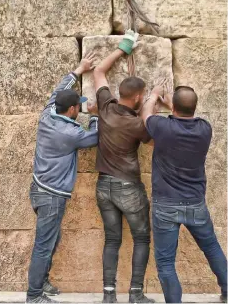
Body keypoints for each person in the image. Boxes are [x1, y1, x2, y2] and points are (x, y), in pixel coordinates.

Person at [141, 84, 227, 303]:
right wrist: (173, 101)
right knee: (212, 248)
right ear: (195, 107)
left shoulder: (162, 127)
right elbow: (182, 113)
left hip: (166, 205)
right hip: (195, 203)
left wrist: (153, 96)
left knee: (166, 262)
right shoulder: (205, 129)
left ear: (174, 107)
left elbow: (146, 115)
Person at [26, 53, 99, 303]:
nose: (80, 108)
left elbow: (60, 89)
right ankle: (34, 295)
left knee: (51, 238)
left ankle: (42, 281)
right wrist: (97, 115)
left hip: (39, 189)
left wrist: (78, 70)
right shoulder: (72, 133)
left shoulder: (47, 113)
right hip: (52, 196)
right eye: (79, 105)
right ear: (71, 109)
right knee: (44, 245)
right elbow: (96, 137)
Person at [93, 30, 155, 304]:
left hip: (103, 186)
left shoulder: (106, 107)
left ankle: (109, 296)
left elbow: (98, 71)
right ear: (139, 97)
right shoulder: (137, 124)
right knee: (141, 239)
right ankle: (135, 294)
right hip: (128, 187)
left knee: (111, 240)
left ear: (121, 94)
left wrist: (124, 47)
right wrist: (151, 104)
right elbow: (151, 140)